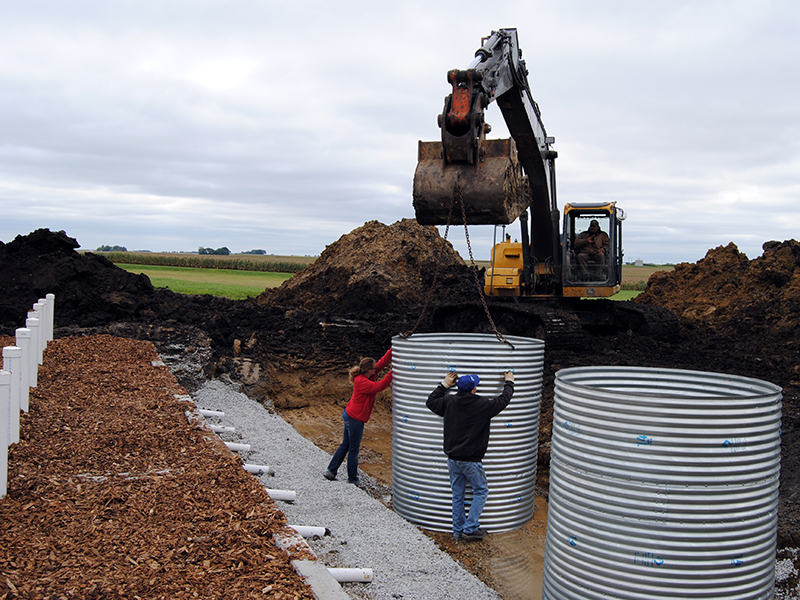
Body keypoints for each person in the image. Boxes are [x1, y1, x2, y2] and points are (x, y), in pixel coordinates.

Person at [426, 370, 515, 541]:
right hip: (471, 461)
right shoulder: (482, 404)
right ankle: (470, 528)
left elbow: (430, 402)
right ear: (474, 389)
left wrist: (444, 385)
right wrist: (509, 382)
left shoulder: (449, 402)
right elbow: (504, 400)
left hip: (453, 460)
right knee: (481, 491)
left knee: (457, 495)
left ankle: (457, 532)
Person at [323, 348, 392, 485]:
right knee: (353, 449)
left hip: (350, 414)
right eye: (374, 368)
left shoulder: (368, 374)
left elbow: (382, 361)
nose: (377, 368)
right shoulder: (362, 382)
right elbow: (379, 386)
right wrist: (392, 373)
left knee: (346, 444)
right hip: (355, 418)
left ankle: (331, 471)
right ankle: (352, 478)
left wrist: (393, 348)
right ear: (369, 370)